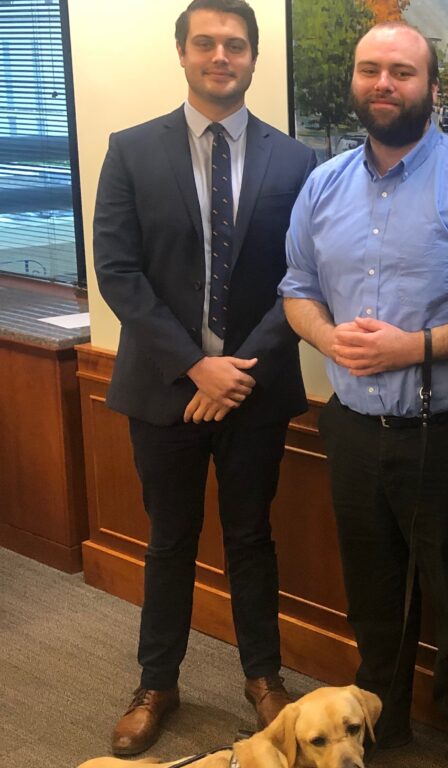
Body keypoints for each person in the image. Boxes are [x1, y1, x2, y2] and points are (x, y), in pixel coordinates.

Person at [278, 22, 448, 768]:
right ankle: (378, 735)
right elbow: (296, 289)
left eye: (403, 72)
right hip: (351, 427)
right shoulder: (322, 185)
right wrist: (325, 338)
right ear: (354, 82)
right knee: (373, 592)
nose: (384, 83)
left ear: (434, 89)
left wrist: (412, 347)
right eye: (370, 70)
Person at [92, 0, 316, 755]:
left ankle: (263, 679)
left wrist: (235, 371)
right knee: (169, 539)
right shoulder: (130, 150)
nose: (221, 56)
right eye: (207, 43)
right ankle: (158, 681)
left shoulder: (296, 161)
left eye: (236, 45)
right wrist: (195, 366)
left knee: (252, 536)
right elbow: (118, 272)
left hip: (255, 392)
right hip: (163, 391)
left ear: (254, 58)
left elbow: (303, 278)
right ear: (182, 53)